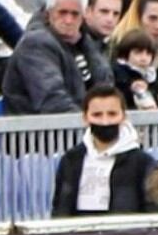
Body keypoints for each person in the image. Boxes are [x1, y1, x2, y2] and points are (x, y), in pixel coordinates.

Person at [51, 85, 150, 217]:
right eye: (97, 115)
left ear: (124, 117)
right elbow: (59, 206)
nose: (105, 122)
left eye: (112, 114)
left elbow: (150, 209)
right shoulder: (71, 159)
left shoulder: (142, 163)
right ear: (85, 118)